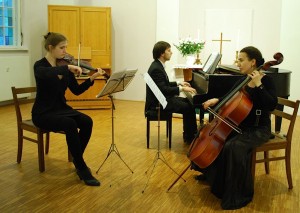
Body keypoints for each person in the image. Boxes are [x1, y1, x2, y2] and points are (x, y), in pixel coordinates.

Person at [191, 46, 278, 209]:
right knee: (217, 139)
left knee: (234, 146)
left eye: (241, 59)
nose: (237, 63)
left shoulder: (266, 80)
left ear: (253, 62)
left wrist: (259, 84)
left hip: (258, 129)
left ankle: (238, 194)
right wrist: (217, 100)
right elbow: (231, 95)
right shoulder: (244, 78)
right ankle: (213, 177)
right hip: (241, 126)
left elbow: (272, 104)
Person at [32, 32, 106, 186]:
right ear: (50, 48)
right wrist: (68, 67)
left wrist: (91, 78)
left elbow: (76, 91)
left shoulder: (63, 66)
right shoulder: (40, 66)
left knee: (87, 121)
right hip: (43, 112)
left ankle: (77, 157)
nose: (65, 51)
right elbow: (45, 73)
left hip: (61, 109)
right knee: (69, 124)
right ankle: (81, 167)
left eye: (66, 47)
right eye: (62, 47)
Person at [145, 41, 198, 144]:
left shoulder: (157, 65)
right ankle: (190, 137)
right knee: (187, 107)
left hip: (163, 98)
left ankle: (190, 134)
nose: (171, 53)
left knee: (189, 102)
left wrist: (179, 83)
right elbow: (163, 89)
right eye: (169, 50)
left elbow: (163, 84)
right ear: (162, 53)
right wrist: (182, 89)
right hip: (159, 103)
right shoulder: (156, 68)